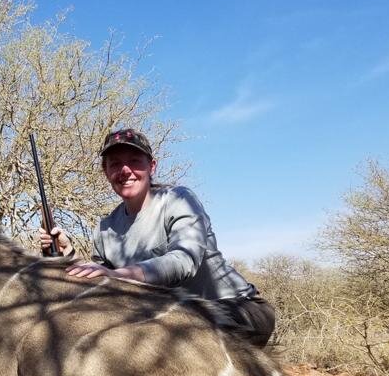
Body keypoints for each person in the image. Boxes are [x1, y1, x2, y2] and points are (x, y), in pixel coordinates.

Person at [39, 128, 275, 347]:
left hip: (237, 309)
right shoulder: (106, 227)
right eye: (115, 164)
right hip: (173, 317)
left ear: (152, 166)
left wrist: (119, 275)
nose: (125, 170)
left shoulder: (179, 199)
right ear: (106, 171)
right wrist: (67, 254)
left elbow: (184, 260)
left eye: (134, 162)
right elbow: (102, 283)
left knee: (169, 340)